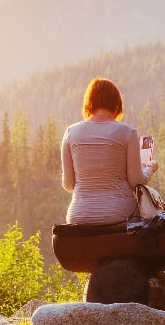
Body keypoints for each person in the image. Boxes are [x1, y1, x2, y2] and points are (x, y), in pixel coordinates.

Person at [61, 77, 158, 224]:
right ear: (116, 103)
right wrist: (150, 167)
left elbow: (68, 185)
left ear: (89, 103)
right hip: (120, 215)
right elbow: (136, 182)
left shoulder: (70, 133)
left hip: (79, 215)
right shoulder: (127, 132)